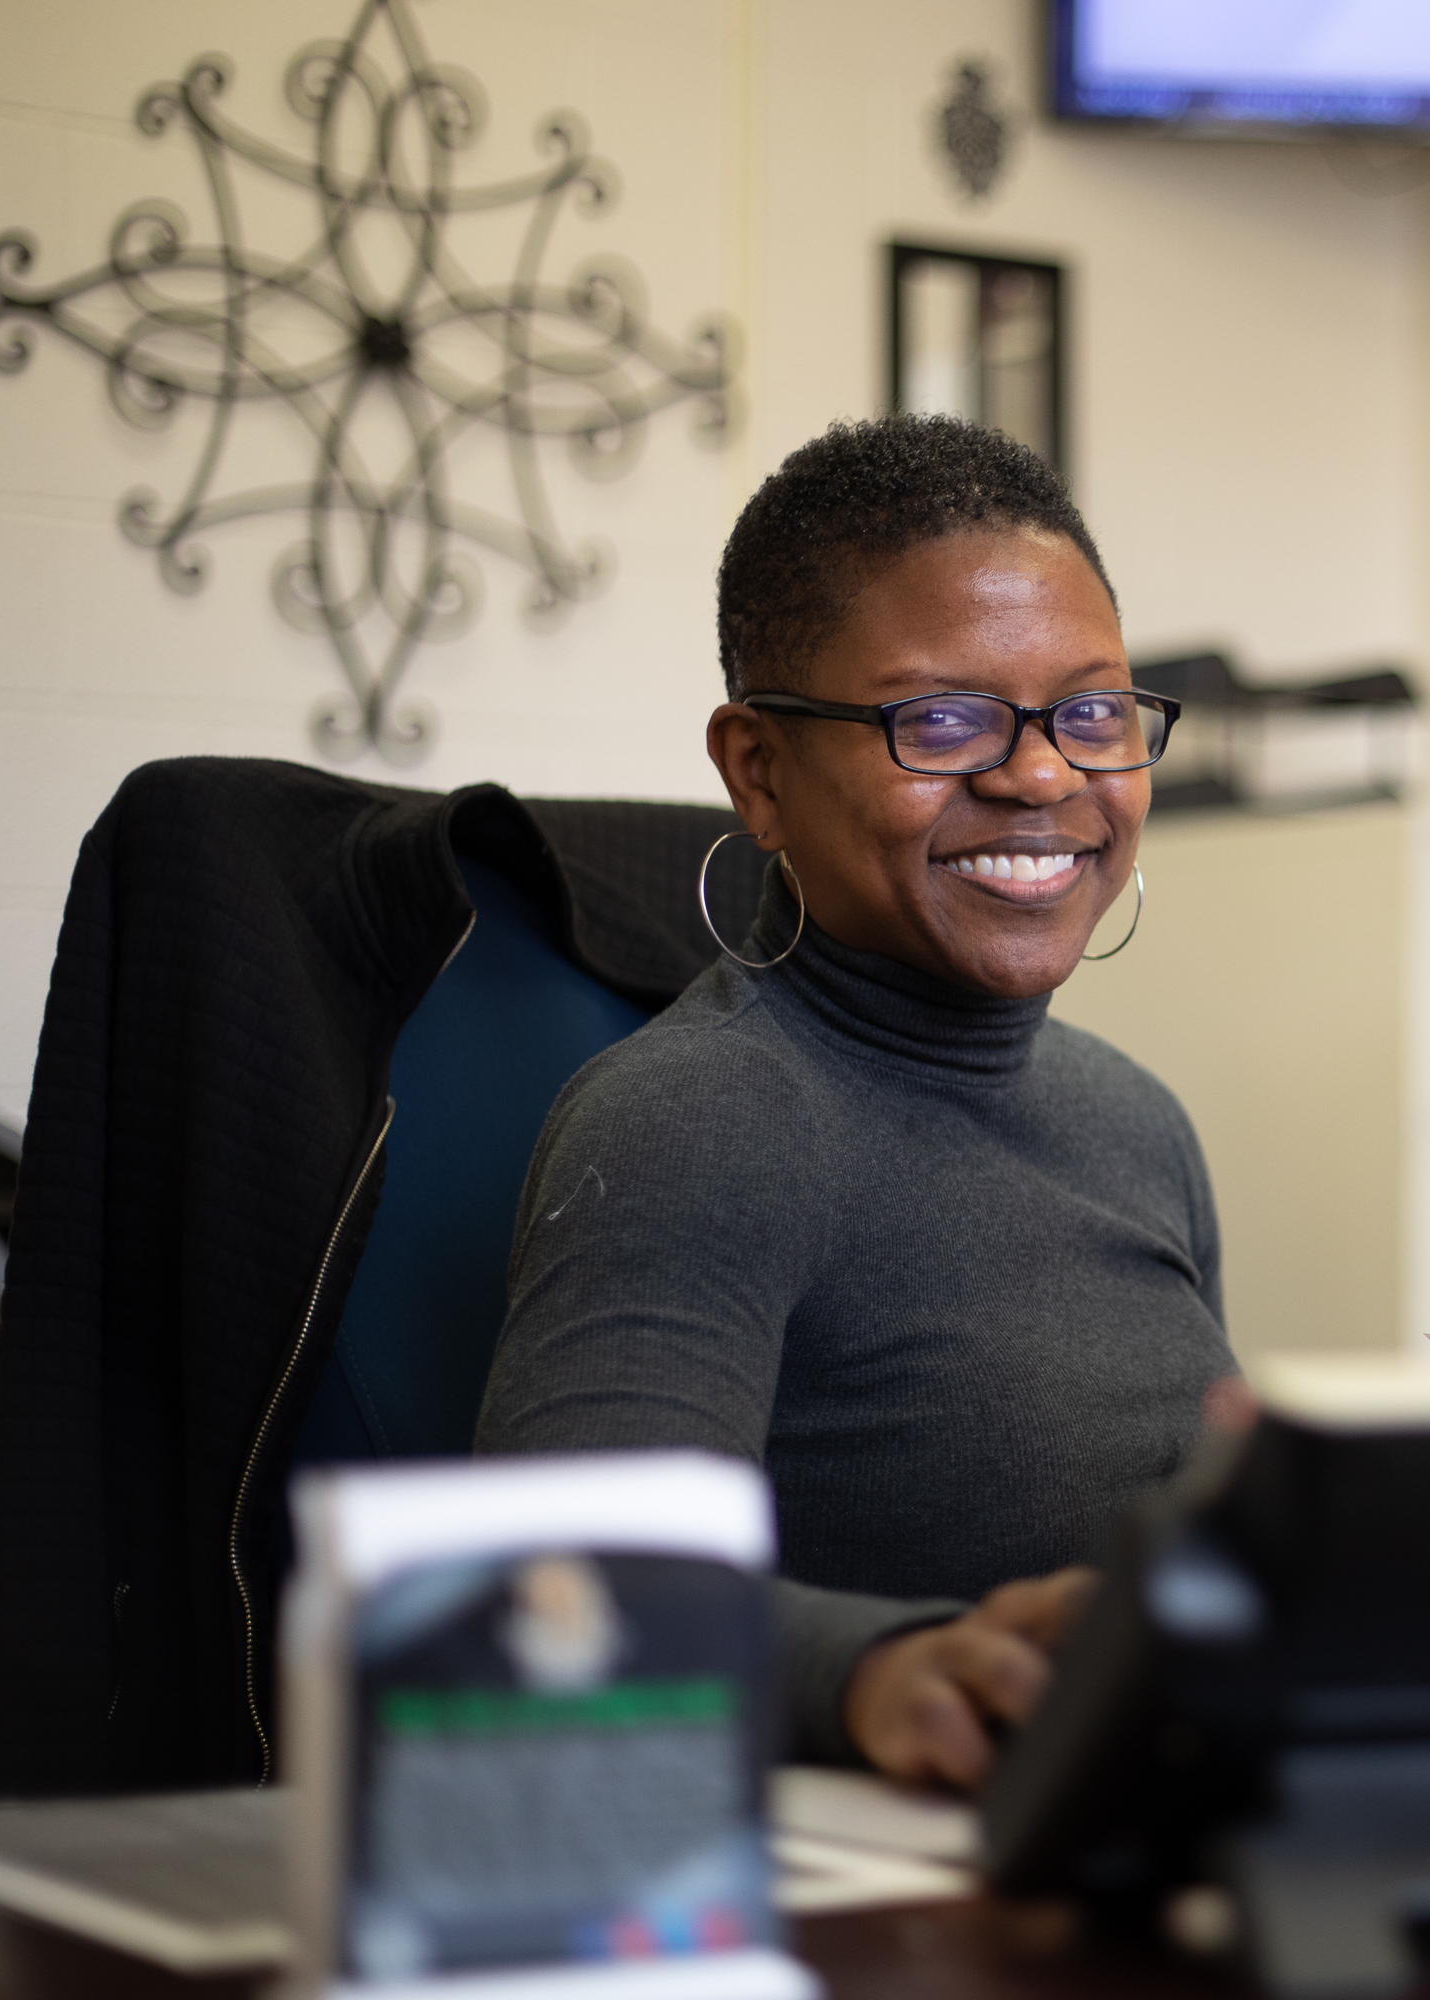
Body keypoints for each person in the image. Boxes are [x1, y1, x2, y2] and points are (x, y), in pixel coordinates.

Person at [475, 416, 1233, 1787]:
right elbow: (561, 1590)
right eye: (940, 718)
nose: (1043, 775)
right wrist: (876, 1672)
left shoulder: (1139, 1124)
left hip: (1130, 1843)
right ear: (758, 771)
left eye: (1094, 711)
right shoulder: (697, 1119)